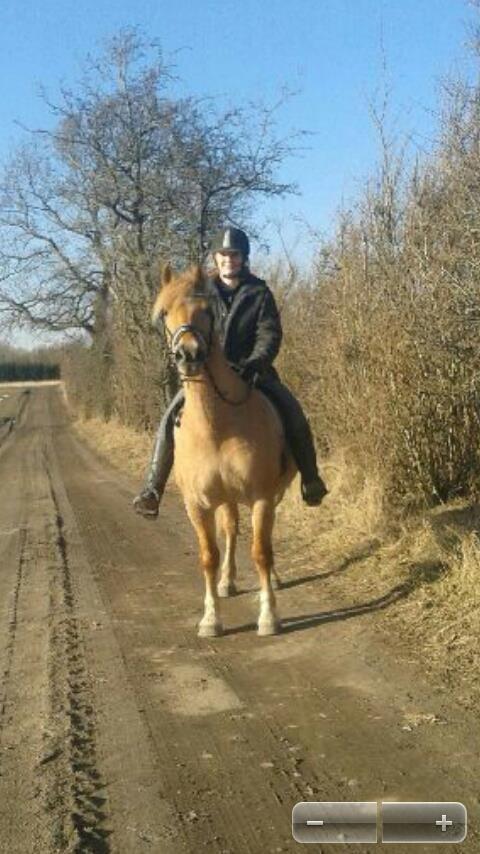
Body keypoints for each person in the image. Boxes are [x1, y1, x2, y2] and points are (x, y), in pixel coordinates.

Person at [133, 226, 328, 518]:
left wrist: (256, 362)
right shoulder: (203, 291)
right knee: (170, 416)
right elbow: (186, 321)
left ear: (243, 258)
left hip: (253, 372)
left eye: (234, 255)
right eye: (223, 255)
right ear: (216, 258)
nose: (228, 260)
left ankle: (311, 479)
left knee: (292, 410)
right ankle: (153, 488)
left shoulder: (259, 292)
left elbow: (269, 333)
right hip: (208, 375)